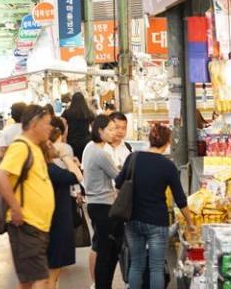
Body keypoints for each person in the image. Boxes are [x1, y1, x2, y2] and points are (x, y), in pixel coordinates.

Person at [115, 125, 195, 289]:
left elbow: (118, 183)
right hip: (157, 222)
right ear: (167, 142)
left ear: (150, 140)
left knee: (136, 264)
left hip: (133, 218)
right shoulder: (168, 166)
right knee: (156, 267)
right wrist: (190, 222)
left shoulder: (133, 158)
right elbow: (180, 199)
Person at [0, 105, 55, 289]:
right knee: (41, 278)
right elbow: (0, 175)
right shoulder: (21, 147)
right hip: (27, 224)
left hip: (36, 225)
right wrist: (15, 207)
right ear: (34, 124)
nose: (50, 128)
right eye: (47, 124)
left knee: (28, 280)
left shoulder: (34, 147)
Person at [83, 114, 121, 289]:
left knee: (102, 249)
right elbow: (118, 178)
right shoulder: (101, 154)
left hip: (94, 203)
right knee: (107, 252)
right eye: (111, 129)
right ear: (100, 131)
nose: (114, 133)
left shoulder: (89, 148)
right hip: (104, 205)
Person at [45, 140, 83, 289]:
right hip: (57, 223)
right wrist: (65, 156)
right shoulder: (51, 170)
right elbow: (77, 176)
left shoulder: (47, 168)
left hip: (53, 221)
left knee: (52, 274)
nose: (56, 145)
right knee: (51, 274)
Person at [62, 93, 93, 163]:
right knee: (85, 162)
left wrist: (64, 139)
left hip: (71, 140)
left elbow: (62, 125)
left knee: (73, 162)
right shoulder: (88, 112)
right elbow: (94, 126)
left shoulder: (67, 112)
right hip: (86, 141)